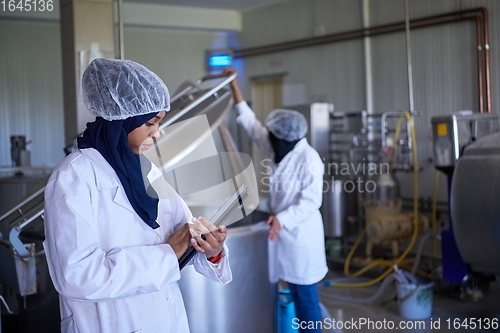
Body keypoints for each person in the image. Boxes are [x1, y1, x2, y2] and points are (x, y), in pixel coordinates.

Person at [43, 58, 232, 333]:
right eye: (151, 123)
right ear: (124, 119)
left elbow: (183, 235)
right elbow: (77, 275)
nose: (157, 134)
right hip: (108, 323)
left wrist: (211, 250)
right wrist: (168, 254)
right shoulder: (73, 177)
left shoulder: (147, 170)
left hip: (166, 319)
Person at [224, 68, 328, 332]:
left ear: (285, 136)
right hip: (279, 235)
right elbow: (251, 124)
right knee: (286, 295)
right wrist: (234, 87)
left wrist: (281, 219)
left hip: (300, 237)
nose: (267, 138)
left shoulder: (309, 158)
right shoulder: (279, 146)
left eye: (273, 134)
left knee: (306, 302)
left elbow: (311, 201)